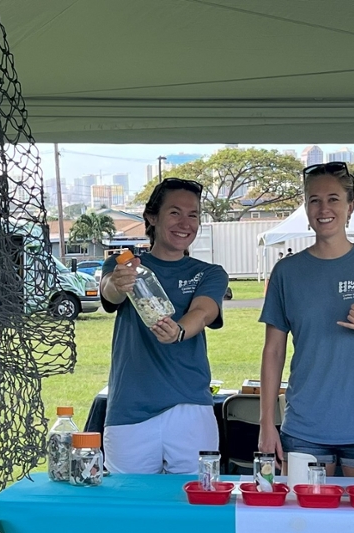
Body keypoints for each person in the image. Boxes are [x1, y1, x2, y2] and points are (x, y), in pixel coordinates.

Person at [258, 162, 354, 477]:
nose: (323, 208)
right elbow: (273, 351)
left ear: (350, 206)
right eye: (314, 200)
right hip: (305, 427)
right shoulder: (287, 273)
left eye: (333, 198)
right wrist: (266, 423)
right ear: (305, 207)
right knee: (303, 523)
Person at [99, 178, 228, 474]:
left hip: (190, 408)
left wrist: (180, 330)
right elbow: (110, 290)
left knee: (197, 502)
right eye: (174, 212)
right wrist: (119, 283)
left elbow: (205, 309)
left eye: (193, 215)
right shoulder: (125, 265)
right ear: (152, 217)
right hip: (129, 410)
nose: (185, 223)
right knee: (129, 506)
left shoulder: (208, 273)